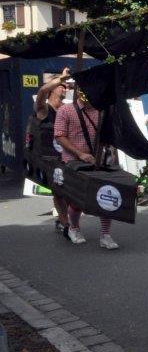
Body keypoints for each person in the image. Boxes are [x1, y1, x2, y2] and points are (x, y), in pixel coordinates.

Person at [54, 86, 118, 249]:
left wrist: (111, 155)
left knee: (107, 197)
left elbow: (109, 135)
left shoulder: (101, 111)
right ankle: (74, 228)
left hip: (100, 160)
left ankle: (105, 235)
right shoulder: (65, 110)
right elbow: (60, 136)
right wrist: (80, 154)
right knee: (77, 200)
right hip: (74, 161)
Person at [35, 68, 71, 235]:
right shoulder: (43, 109)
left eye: (67, 86)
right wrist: (61, 77)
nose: (65, 88)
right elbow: (42, 90)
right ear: (53, 88)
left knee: (70, 192)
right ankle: (66, 225)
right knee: (58, 193)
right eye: (62, 85)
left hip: (67, 157)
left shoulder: (66, 109)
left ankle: (61, 219)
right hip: (50, 159)